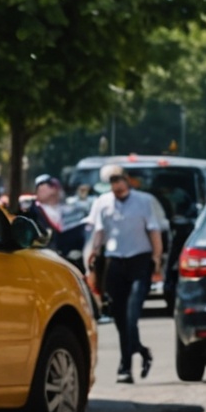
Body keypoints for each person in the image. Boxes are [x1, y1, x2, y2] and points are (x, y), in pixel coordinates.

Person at [84, 164, 168, 383]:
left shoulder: (144, 201)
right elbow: (99, 232)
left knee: (132, 316)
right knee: (120, 319)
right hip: (115, 263)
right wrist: (93, 253)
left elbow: (154, 231)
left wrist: (157, 261)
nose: (116, 186)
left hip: (139, 261)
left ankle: (131, 357)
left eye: (119, 180)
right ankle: (129, 362)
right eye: (111, 182)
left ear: (127, 180)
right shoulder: (102, 203)